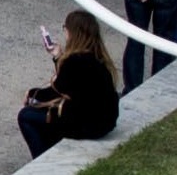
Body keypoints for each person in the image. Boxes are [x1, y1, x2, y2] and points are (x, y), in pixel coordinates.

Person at [21, 11, 124, 156]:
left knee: (26, 116)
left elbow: (55, 91)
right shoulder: (98, 55)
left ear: (71, 32)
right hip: (106, 121)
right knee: (52, 113)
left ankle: (43, 159)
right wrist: (58, 56)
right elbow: (69, 83)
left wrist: (31, 93)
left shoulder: (75, 60)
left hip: (89, 125)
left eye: (65, 28)